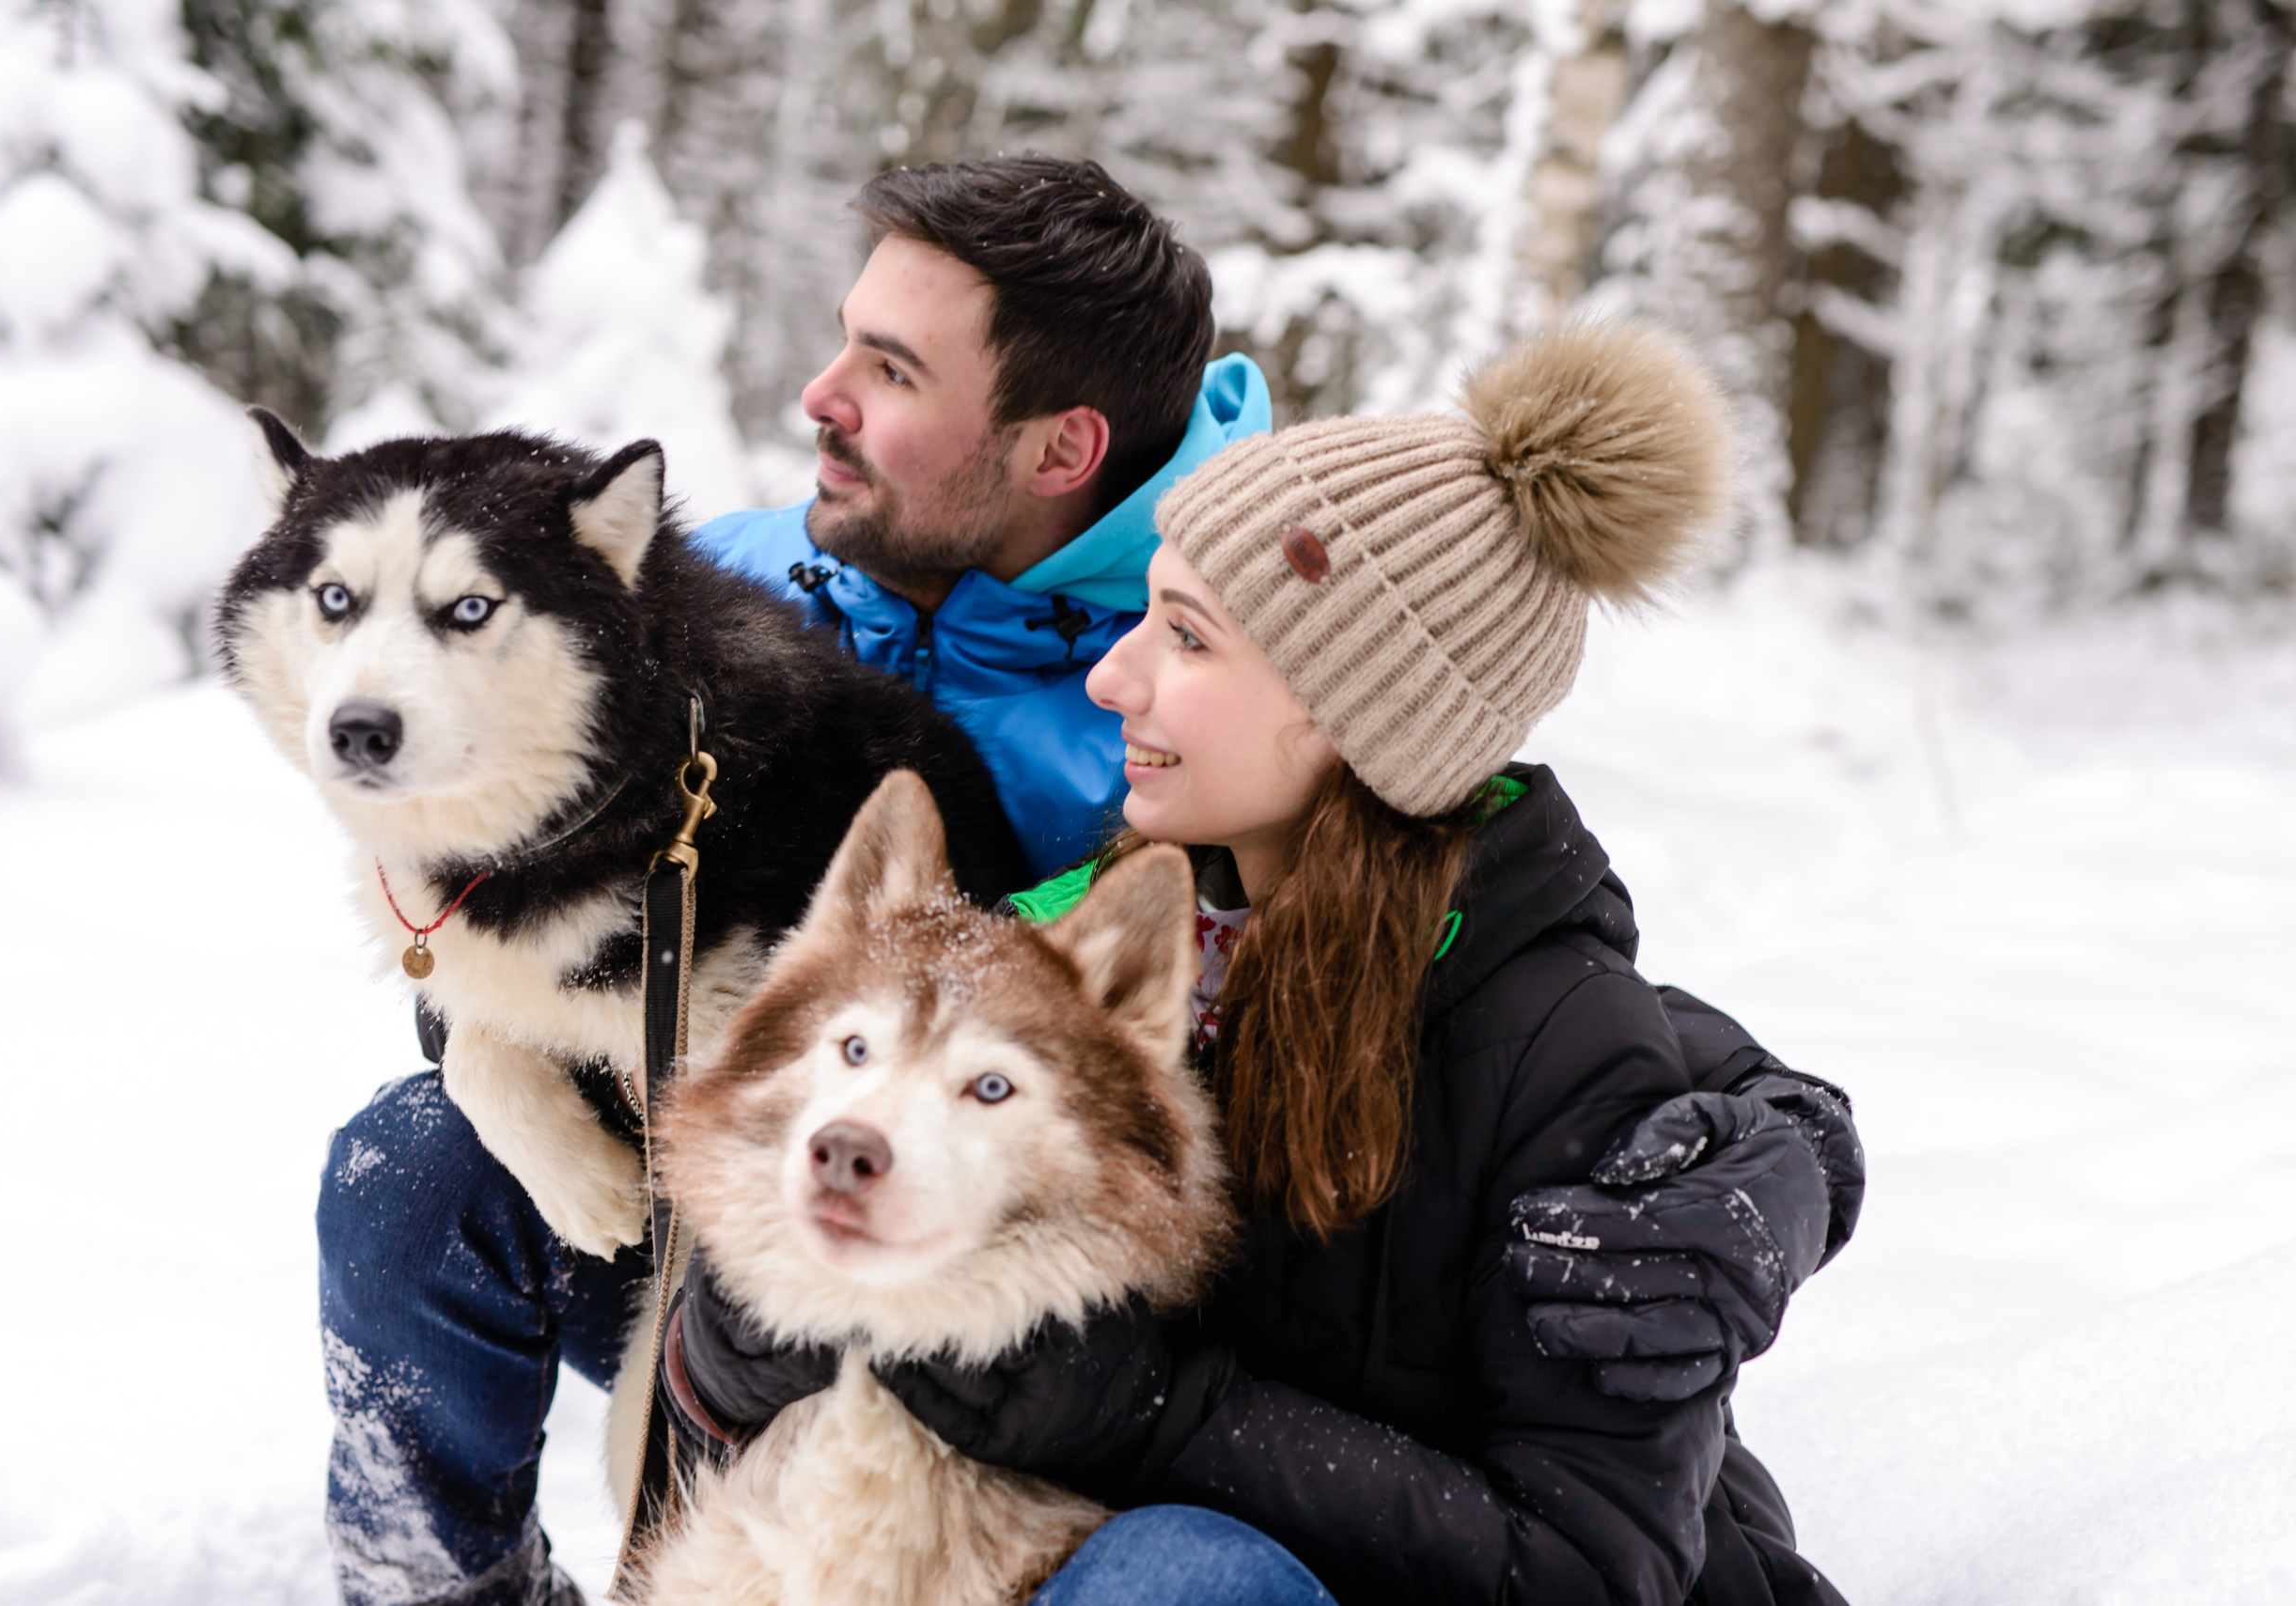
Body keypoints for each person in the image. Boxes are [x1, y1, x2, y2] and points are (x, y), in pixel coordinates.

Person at [320, 157, 1856, 1606]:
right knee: (424, 1166)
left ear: (1060, 453)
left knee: (1178, 1567)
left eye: (895, 369)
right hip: (949, 1319)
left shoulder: (1195, 764)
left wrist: (1786, 1151)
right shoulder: (727, 602)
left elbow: (1545, 1023)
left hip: (1193, 1462)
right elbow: (504, 901)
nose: (821, 398)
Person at [664, 321, 1857, 1604]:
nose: (1115, 675)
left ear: (1358, 714)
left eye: (1184, 636)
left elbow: (1589, 1568)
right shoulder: (1110, 937)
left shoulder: (1559, 1052)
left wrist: (1158, 1417)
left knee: (1174, 1576)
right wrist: (742, 1341)